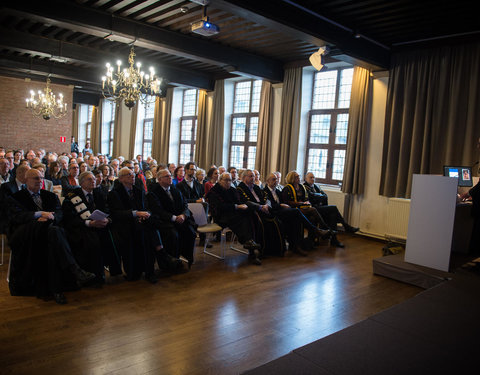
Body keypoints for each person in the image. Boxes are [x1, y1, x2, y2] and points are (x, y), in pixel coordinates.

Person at [7, 169, 95, 304]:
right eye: (35, 178)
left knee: (52, 239)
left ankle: (55, 290)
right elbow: (16, 217)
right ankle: (74, 269)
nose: (39, 181)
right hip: (27, 234)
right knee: (54, 233)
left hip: (49, 231)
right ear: (26, 180)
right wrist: (38, 215)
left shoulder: (49, 195)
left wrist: (50, 217)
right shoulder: (17, 196)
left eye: (41, 178)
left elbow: (59, 214)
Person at [62, 171, 121, 285]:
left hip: (100, 226)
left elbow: (107, 210)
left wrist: (107, 220)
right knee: (93, 240)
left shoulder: (98, 194)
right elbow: (69, 219)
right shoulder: (72, 196)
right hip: (81, 228)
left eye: (94, 179)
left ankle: (107, 272)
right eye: (90, 179)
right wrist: (89, 223)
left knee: (113, 237)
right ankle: (92, 275)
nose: (93, 181)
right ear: (82, 182)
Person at [107, 167, 164, 283]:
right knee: (148, 231)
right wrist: (135, 214)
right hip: (124, 223)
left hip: (140, 221)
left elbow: (146, 207)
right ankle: (160, 254)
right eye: (129, 175)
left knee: (149, 229)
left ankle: (150, 271)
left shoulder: (139, 190)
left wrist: (145, 214)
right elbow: (115, 213)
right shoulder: (115, 193)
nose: (133, 177)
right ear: (121, 178)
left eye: (133, 175)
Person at [264, 173, 330, 256]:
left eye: (276, 179)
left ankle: (296, 246)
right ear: (267, 181)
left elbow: (284, 202)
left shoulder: (277, 191)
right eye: (273, 179)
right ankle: (316, 230)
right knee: (296, 212)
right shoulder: (265, 192)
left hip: (283, 212)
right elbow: (269, 206)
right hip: (274, 213)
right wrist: (280, 205)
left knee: (297, 219)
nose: (276, 181)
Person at [206, 172, 262, 265]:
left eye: (230, 180)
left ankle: (250, 244)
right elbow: (219, 207)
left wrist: (240, 206)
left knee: (249, 216)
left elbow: (238, 202)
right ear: (220, 181)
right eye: (226, 180)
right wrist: (236, 206)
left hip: (233, 216)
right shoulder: (214, 191)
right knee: (239, 218)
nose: (228, 182)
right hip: (221, 218)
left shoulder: (232, 190)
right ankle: (249, 244)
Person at [147, 168, 197, 268]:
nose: (170, 178)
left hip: (180, 218)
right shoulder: (153, 192)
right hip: (165, 221)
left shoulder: (175, 189)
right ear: (159, 179)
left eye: (170, 176)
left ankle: (187, 258)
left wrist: (183, 215)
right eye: (167, 176)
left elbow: (185, 204)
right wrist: (174, 218)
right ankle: (170, 263)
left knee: (190, 232)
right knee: (173, 235)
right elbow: (157, 210)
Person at [282, 171, 340, 247]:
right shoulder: (287, 188)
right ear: (292, 178)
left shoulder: (301, 187)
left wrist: (306, 202)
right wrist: (300, 203)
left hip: (303, 208)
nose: (299, 178)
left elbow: (306, 198)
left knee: (313, 218)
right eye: (297, 177)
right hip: (294, 210)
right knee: (313, 209)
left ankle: (311, 241)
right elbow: (287, 202)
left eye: (299, 176)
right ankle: (325, 228)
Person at [236, 169, 285, 256]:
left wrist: (266, 205)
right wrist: (260, 207)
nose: (253, 178)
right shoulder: (240, 188)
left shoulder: (256, 187)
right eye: (251, 176)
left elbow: (265, 198)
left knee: (277, 222)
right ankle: (260, 251)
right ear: (244, 178)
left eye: (254, 176)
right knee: (262, 223)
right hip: (252, 211)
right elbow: (246, 202)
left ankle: (275, 250)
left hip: (264, 209)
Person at [177, 162, 211, 248]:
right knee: (203, 207)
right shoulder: (180, 185)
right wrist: (196, 201)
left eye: (195, 170)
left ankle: (203, 237)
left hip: (198, 208)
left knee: (205, 204)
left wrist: (202, 199)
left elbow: (201, 195)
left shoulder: (197, 184)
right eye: (192, 169)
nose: (194, 171)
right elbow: (182, 200)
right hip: (186, 207)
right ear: (186, 170)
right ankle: (202, 233)